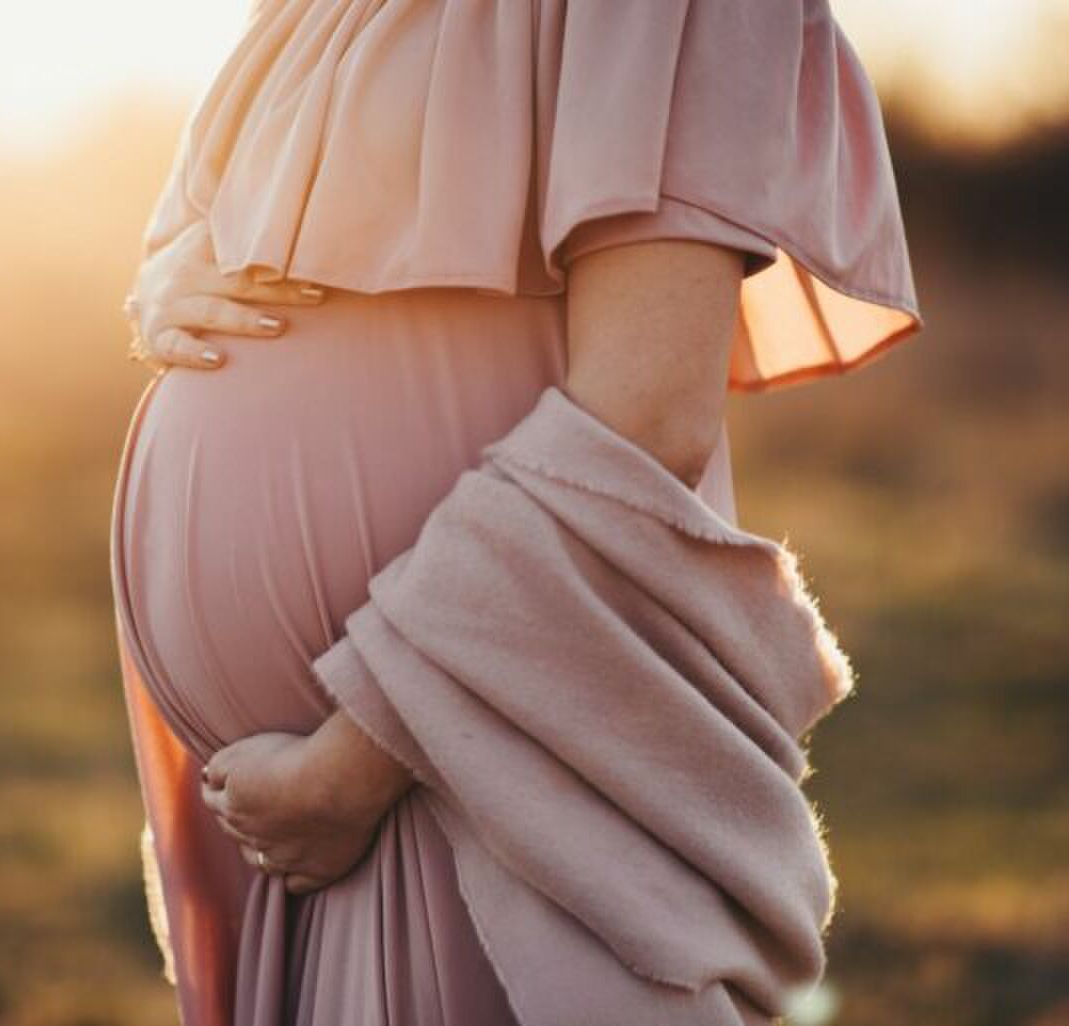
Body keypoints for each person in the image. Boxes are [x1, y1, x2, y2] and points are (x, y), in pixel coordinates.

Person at [108, 2, 920, 1023]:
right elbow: (219, 216)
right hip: (301, 815)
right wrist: (171, 270)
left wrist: (352, 766)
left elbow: (644, 418)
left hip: (472, 776)